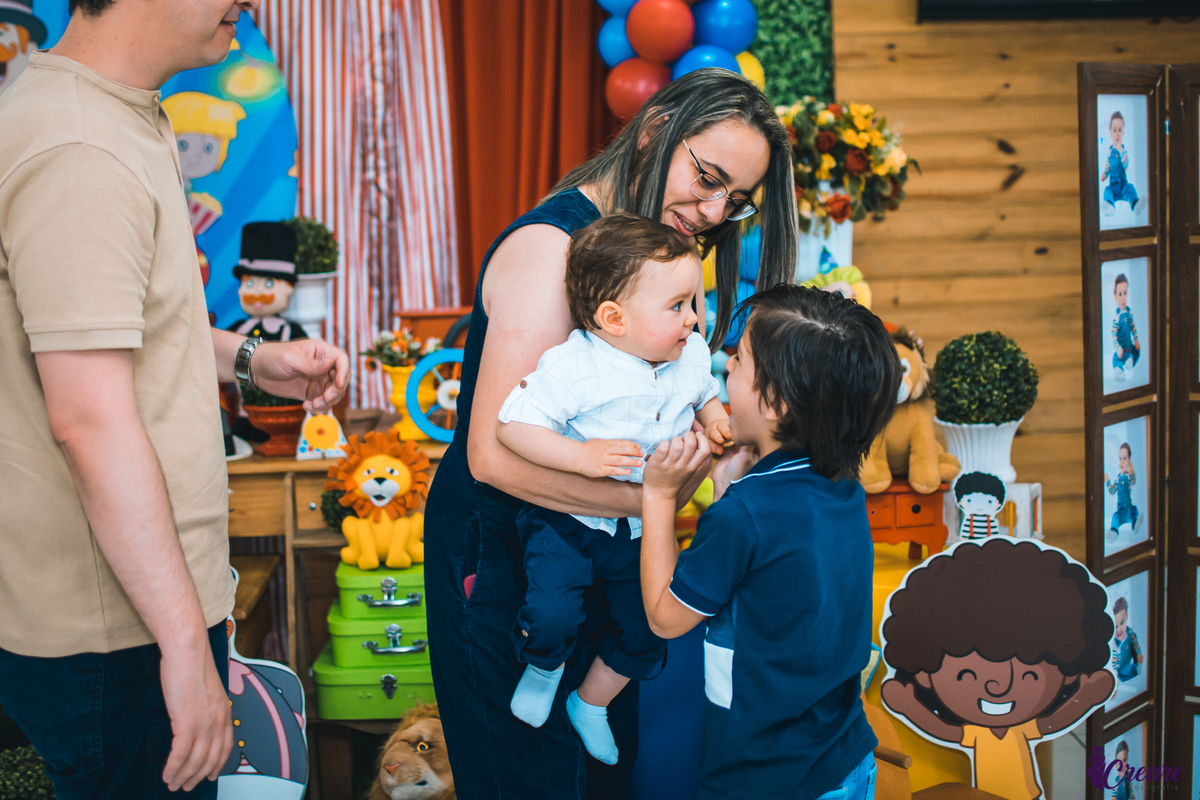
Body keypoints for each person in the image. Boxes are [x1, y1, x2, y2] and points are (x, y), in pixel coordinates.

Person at [0, 1, 349, 798]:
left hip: (144, 623)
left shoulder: (118, 113)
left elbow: (130, 334)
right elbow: (89, 420)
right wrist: (184, 645)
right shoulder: (78, 145)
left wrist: (258, 359)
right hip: (116, 641)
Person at [423, 67, 798, 798]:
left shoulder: (652, 260)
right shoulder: (551, 251)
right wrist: (654, 506)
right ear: (656, 130)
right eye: (708, 177)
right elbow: (493, 455)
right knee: (528, 775)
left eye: (737, 201)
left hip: (599, 554)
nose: (716, 209)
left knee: (598, 768)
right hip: (504, 560)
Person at [639, 285, 900, 799]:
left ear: (777, 403)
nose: (725, 363)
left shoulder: (744, 516)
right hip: (844, 758)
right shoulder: (842, 485)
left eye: (740, 360)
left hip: (763, 777)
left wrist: (658, 496)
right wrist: (732, 488)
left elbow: (664, 617)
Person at [495, 214, 731, 765]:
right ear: (613, 318)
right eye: (677, 307)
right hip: (568, 522)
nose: (693, 319)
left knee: (650, 627)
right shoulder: (574, 366)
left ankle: (591, 702)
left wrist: (716, 416)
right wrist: (580, 455)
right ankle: (544, 667)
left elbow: (702, 393)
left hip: (640, 527)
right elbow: (512, 426)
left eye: (692, 303)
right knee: (552, 614)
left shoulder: (689, 352)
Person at [881, 539, 1115, 800]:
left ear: (1069, 669)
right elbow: (944, 730)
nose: (998, 688)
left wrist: (1087, 697)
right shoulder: (978, 733)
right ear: (924, 674)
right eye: (966, 675)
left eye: (1030, 675)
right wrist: (908, 706)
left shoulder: (1020, 728)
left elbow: (1051, 722)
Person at [1101, 110, 1138, 217]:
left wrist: (1121, 151)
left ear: (1123, 132)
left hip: (1123, 185)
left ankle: (1135, 204)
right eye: (1115, 130)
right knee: (1107, 191)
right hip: (1113, 186)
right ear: (1111, 132)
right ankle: (1110, 206)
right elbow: (1108, 165)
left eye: (1120, 130)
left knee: (1131, 189)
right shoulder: (1109, 152)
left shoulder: (1123, 150)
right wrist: (1105, 173)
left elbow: (1126, 164)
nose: (1117, 133)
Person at [953, 471, 1006, 540]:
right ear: (960, 501)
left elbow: (995, 535)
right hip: (972, 543)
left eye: (989, 501)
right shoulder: (969, 519)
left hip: (987, 543)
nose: (980, 506)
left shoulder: (991, 521)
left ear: (999, 504)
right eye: (969, 500)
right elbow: (964, 534)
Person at [1105, 443, 1140, 537]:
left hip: (1128, 508)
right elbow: (1112, 491)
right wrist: (1107, 481)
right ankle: (1113, 532)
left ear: (1129, 461)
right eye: (1120, 459)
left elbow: (1133, 481)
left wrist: (1132, 472)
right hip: (1120, 510)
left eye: (1124, 458)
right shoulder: (1117, 478)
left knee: (1134, 511)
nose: (1122, 462)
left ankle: (1135, 524)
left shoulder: (1129, 476)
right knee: (1115, 517)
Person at [1111, 273, 1140, 381]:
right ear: (1115, 297)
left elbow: (1133, 327)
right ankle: (1119, 371)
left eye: (1125, 293)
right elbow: (1113, 334)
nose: (1123, 297)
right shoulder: (1117, 316)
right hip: (1121, 349)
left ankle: (1130, 362)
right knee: (1116, 359)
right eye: (1120, 294)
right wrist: (1118, 348)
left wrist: (1136, 340)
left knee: (1137, 351)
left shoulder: (1129, 312)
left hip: (1129, 347)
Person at [1110, 597, 1143, 683]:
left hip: (1129, 660)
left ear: (1126, 618)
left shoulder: (1129, 633)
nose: (1119, 629)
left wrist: (1138, 655)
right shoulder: (1114, 642)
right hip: (1120, 668)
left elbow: (1136, 645)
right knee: (1124, 672)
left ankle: (1136, 668)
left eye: (1122, 623)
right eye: (1116, 627)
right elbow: (1113, 659)